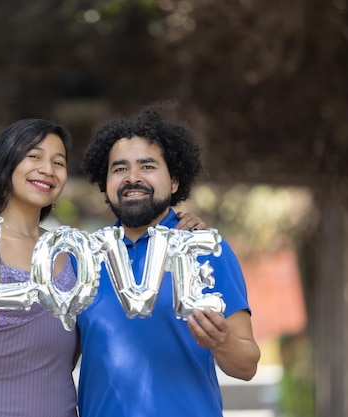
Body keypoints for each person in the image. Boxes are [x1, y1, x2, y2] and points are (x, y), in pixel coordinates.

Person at [0, 117, 206, 417]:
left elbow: (86, 338)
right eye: (34, 156)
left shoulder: (76, 253)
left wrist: (181, 225)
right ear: (7, 164)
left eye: (59, 162)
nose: (47, 169)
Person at [75, 104, 261, 417]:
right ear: (105, 184)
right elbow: (56, 356)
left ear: (174, 182)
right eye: (119, 169)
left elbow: (246, 366)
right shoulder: (85, 258)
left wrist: (222, 341)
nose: (132, 177)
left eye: (147, 167)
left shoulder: (204, 249)